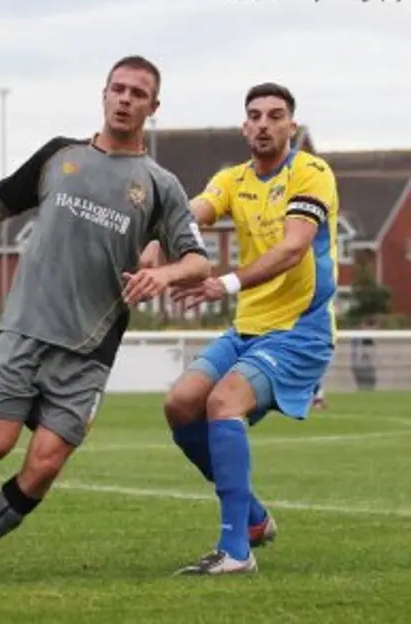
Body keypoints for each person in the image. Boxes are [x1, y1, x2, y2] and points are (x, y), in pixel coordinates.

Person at [0, 55, 211, 583]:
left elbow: (198, 258)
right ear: (103, 94)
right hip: (26, 330)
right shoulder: (61, 155)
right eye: (118, 89)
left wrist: (165, 276)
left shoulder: (159, 185)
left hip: (89, 350)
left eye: (138, 93)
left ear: (153, 107)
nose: (126, 99)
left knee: (45, 466)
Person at [143, 82, 339, 575]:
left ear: (292, 127)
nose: (265, 124)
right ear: (244, 126)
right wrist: (156, 246)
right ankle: (252, 518)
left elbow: (293, 248)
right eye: (256, 115)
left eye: (276, 116)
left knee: (222, 402)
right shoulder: (232, 179)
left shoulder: (310, 173)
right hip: (248, 329)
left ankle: (235, 552)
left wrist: (223, 282)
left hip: (300, 331)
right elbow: (188, 217)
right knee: (180, 403)